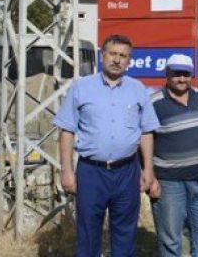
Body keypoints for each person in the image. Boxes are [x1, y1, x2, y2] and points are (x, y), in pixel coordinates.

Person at [54, 34, 160, 257]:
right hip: (92, 172)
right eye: (113, 54)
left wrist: (148, 169)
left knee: (125, 234)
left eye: (123, 56)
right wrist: (66, 171)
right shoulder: (81, 88)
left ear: (129, 60)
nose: (117, 60)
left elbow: (146, 132)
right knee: (88, 234)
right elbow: (66, 130)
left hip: (127, 172)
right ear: (103, 56)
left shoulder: (138, 90)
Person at [149, 53, 198, 256]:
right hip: (170, 183)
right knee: (171, 239)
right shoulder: (154, 103)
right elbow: (144, 143)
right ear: (167, 74)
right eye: (177, 74)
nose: (182, 79)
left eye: (186, 74)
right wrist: (150, 177)